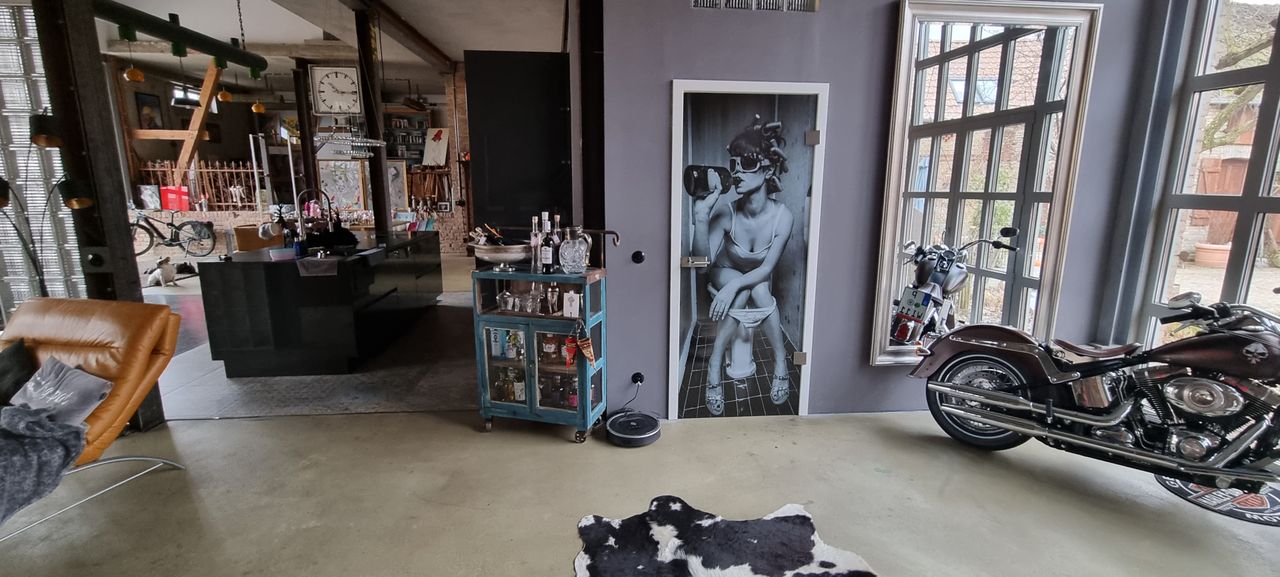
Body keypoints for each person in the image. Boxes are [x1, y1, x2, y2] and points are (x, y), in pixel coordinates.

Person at [690, 116, 794, 416]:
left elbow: (767, 269)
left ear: (768, 169)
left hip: (750, 279)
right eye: (733, 164)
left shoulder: (783, 217)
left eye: (747, 163)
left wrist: (736, 285)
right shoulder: (726, 213)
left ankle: (780, 362)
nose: (736, 172)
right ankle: (714, 365)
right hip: (723, 272)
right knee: (748, 289)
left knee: (757, 289)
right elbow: (701, 267)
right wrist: (701, 217)